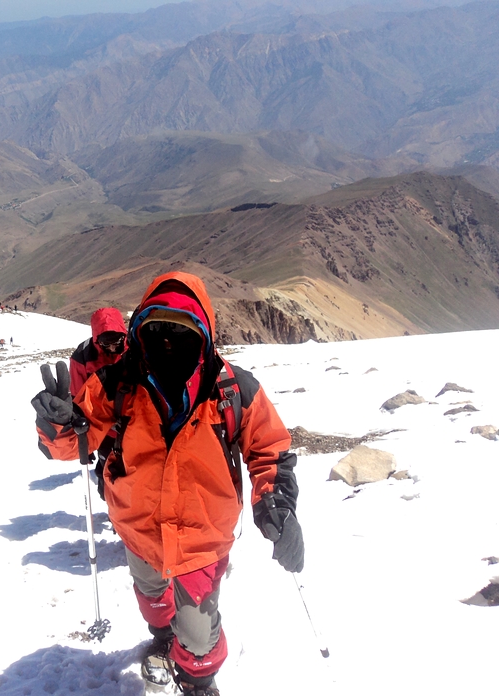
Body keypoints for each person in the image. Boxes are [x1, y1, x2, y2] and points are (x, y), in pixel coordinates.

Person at [31, 271, 303, 696]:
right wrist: (54, 425)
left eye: (181, 333)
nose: (168, 345)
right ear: (139, 332)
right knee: (152, 599)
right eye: (158, 333)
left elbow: (269, 450)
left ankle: (197, 679)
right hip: (138, 527)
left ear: (204, 336)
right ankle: (161, 639)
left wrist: (276, 505)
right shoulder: (116, 383)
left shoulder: (233, 389)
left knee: (197, 633)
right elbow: (75, 444)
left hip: (201, 538)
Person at [68, 307, 128, 398]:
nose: (112, 348)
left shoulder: (135, 347)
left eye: (116, 341)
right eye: (106, 344)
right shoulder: (82, 355)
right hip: (96, 410)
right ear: (97, 339)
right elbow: (78, 396)